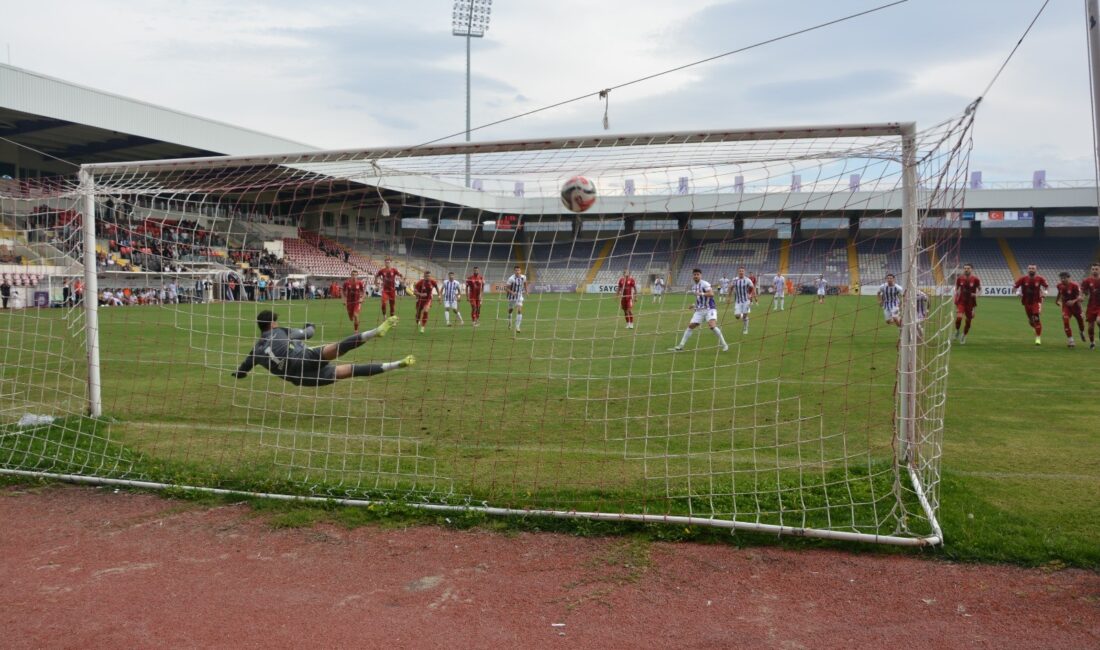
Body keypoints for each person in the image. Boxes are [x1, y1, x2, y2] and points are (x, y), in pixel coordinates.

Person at [233, 310, 412, 387]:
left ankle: (396, 364)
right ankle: (374, 332)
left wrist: (239, 373)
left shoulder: (255, 351)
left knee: (351, 371)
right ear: (272, 324)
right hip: (302, 357)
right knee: (339, 348)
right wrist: (311, 325)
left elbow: (243, 370)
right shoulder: (280, 331)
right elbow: (308, 333)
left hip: (299, 378)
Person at [672, 269, 729, 352]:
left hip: (710, 308)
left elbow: (711, 294)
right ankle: (681, 346)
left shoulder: (705, 284)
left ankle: (724, 344)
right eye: (694, 274)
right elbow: (700, 299)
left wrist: (701, 293)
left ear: (700, 275)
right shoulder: (694, 287)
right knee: (691, 326)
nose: (696, 276)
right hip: (699, 310)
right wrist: (694, 305)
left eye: (697, 274)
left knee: (712, 326)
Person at [1012, 264, 1048, 345]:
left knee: (1036, 317)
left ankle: (1038, 338)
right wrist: (1016, 292)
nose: (1031, 269)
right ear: (1027, 269)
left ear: (1036, 270)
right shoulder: (1023, 279)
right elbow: (1014, 287)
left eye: (1033, 268)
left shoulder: (1040, 278)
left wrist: (1045, 292)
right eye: (1030, 268)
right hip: (1027, 302)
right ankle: (1034, 327)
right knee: (1031, 321)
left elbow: (1046, 286)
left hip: (1037, 301)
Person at [1055, 271, 1085, 349]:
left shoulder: (1075, 286)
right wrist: (1057, 300)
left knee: (1081, 323)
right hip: (1066, 307)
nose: (1062, 280)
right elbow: (1060, 292)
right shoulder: (1059, 286)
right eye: (1061, 278)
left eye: (1064, 278)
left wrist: (1073, 301)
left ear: (1069, 278)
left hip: (1076, 307)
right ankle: (1071, 340)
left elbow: (1081, 298)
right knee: (1065, 320)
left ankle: (1081, 332)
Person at [953, 263, 981, 344]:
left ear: (971, 269)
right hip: (961, 302)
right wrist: (956, 300)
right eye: (965, 268)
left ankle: (964, 336)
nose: (966, 269)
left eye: (968, 268)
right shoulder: (960, 278)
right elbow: (956, 290)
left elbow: (980, 290)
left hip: (970, 303)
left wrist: (976, 294)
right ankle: (957, 331)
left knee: (968, 322)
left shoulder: (975, 279)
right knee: (959, 318)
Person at [730, 267, 755, 334]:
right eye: (740, 271)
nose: (741, 272)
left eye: (742, 271)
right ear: (738, 272)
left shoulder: (747, 280)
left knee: (745, 316)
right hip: (737, 301)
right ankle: (742, 315)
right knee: (737, 316)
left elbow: (752, 288)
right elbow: (731, 287)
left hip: (746, 300)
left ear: (744, 272)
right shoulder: (735, 280)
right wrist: (728, 297)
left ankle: (745, 329)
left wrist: (750, 295)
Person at [1082, 263, 1100, 350]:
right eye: (1093, 269)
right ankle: (1092, 342)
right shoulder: (1087, 281)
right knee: (1090, 327)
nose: (1094, 271)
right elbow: (1085, 292)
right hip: (1091, 305)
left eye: (1096, 269)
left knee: (1099, 321)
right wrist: (1082, 297)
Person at [506, 265, 527, 333]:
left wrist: (526, 291)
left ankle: (517, 326)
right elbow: (506, 288)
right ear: (514, 271)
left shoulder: (523, 277)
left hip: (519, 296)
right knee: (510, 310)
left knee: (519, 310)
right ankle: (509, 321)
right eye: (516, 270)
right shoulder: (511, 279)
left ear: (520, 271)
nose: (517, 272)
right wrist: (512, 293)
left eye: (518, 270)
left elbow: (525, 283)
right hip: (511, 297)